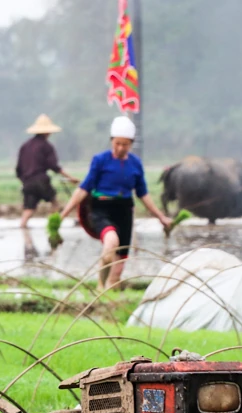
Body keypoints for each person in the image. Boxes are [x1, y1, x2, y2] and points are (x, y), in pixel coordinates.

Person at [59, 115, 172, 289]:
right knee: (111, 241)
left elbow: (143, 194)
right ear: (112, 141)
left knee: (119, 263)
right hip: (101, 209)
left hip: (124, 210)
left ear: (131, 144)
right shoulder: (100, 160)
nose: (120, 148)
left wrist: (161, 217)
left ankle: (111, 289)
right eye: (117, 143)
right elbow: (83, 189)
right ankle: (99, 286)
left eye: (125, 144)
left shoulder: (135, 164)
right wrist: (63, 215)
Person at [17, 114, 77, 228]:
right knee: (54, 203)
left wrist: (25, 181)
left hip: (27, 182)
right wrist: (70, 178)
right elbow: (54, 167)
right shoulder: (46, 146)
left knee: (28, 209)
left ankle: (24, 231)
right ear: (47, 132)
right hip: (40, 181)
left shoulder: (25, 146)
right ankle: (52, 226)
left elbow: (18, 169)